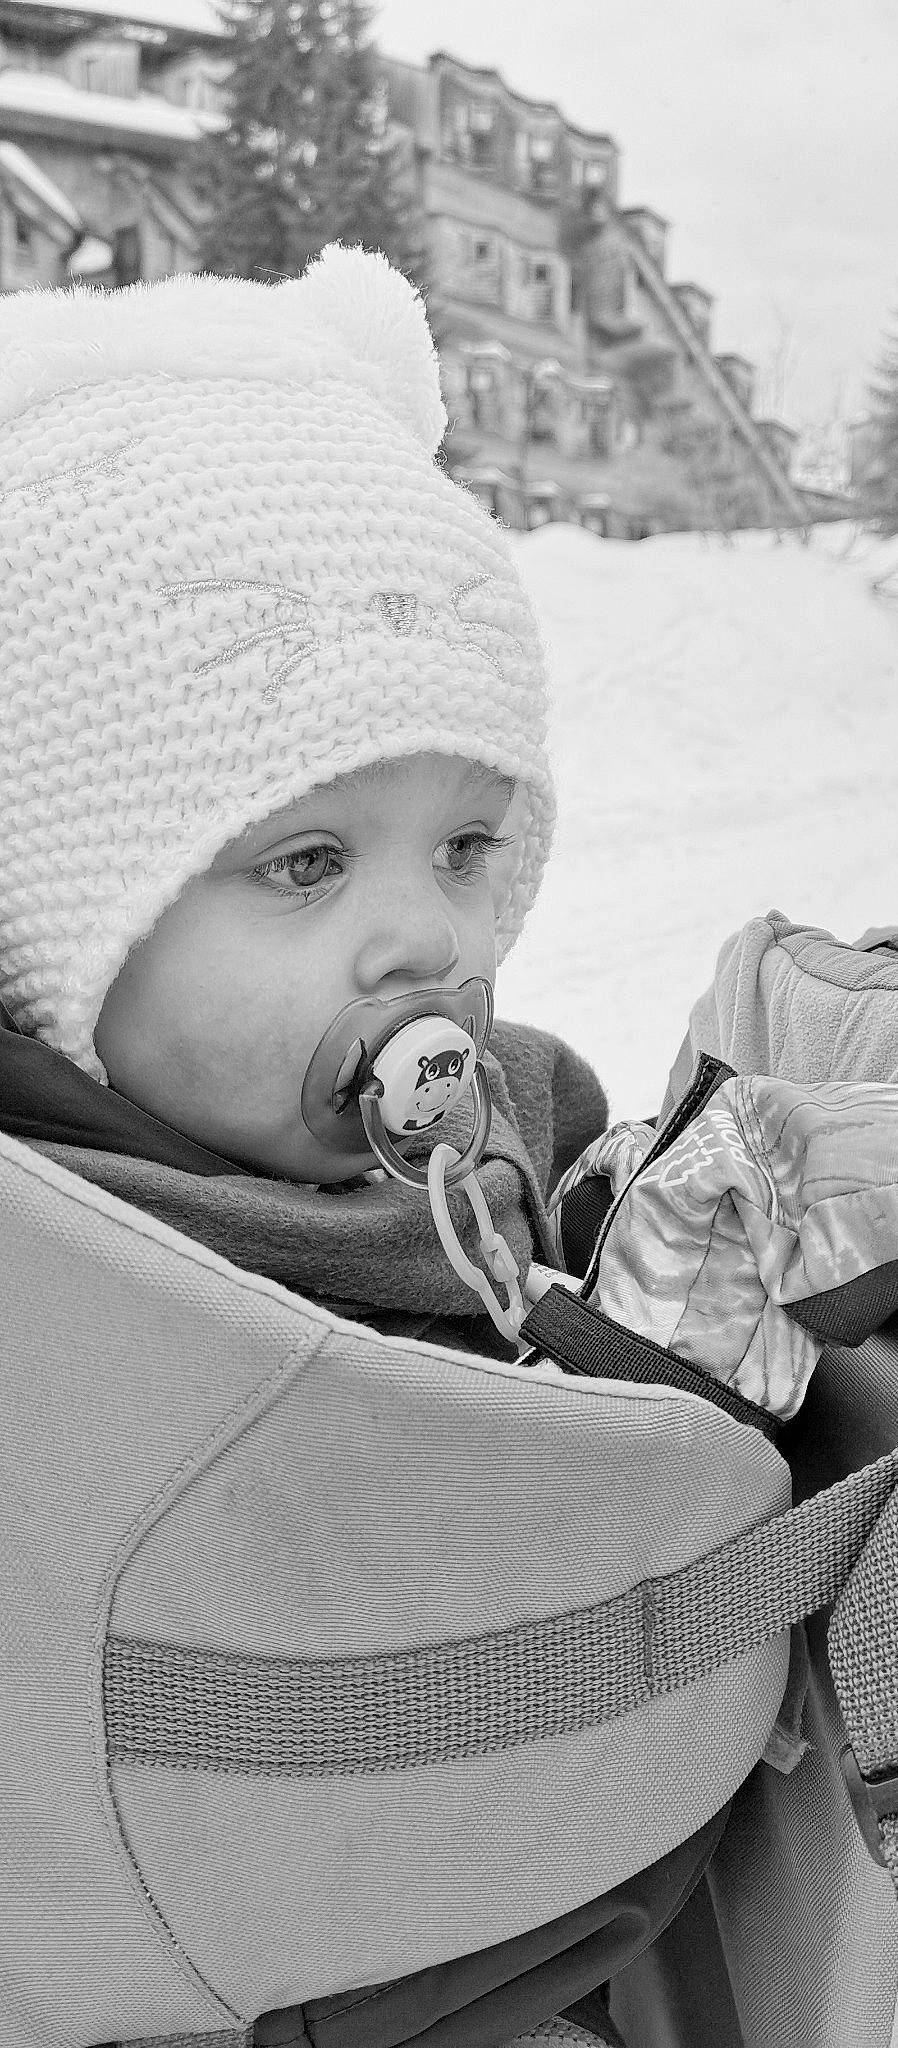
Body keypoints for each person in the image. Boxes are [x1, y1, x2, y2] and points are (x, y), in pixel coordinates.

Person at [0, 242, 607, 1360]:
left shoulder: (534, 1128)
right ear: (49, 930)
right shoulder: (57, 1290)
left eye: (465, 846)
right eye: (307, 861)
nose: (428, 938)